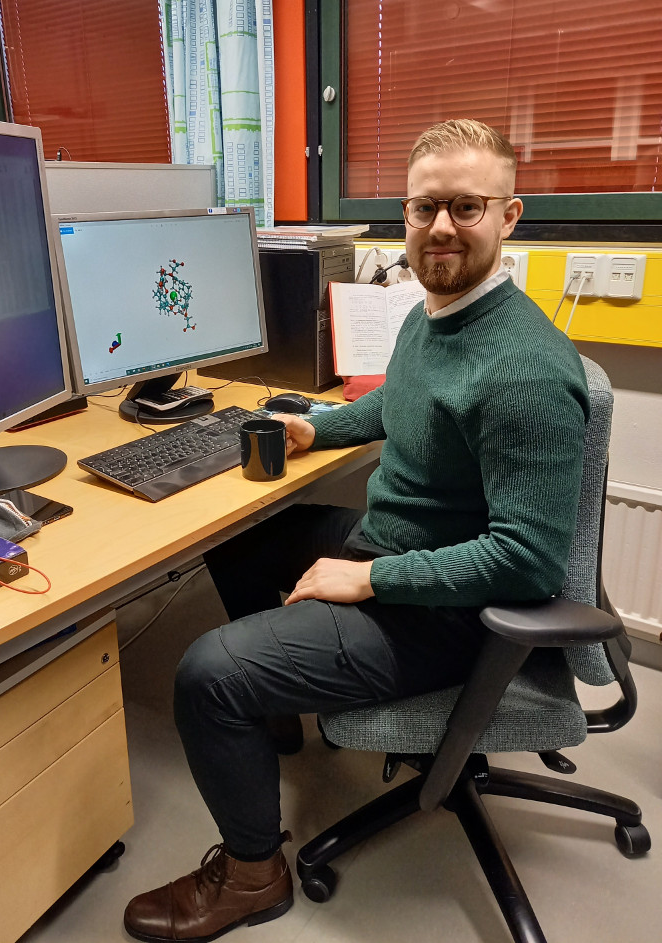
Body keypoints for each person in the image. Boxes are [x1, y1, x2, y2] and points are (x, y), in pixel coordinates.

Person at [121, 119, 590, 942]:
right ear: (404, 215)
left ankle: (252, 874)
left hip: (452, 609)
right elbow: (399, 404)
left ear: (509, 216)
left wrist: (368, 579)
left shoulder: (523, 368)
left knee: (205, 671)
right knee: (235, 538)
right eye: (424, 207)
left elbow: (526, 560)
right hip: (400, 545)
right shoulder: (434, 312)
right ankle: (269, 709)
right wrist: (320, 425)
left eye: (466, 206)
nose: (440, 226)